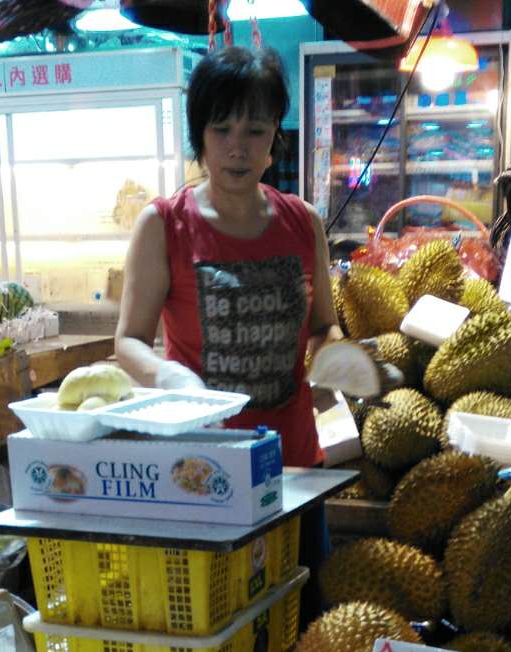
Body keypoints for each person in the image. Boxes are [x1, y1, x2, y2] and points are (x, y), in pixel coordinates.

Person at [116, 46, 343, 467]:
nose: (238, 148)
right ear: (199, 136)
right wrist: (167, 375)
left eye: (255, 130)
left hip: (293, 461)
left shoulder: (304, 222)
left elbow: (323, 325)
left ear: (274, 134)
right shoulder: (163, 225)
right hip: (205, 464)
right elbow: (129, 340)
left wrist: (335, 360)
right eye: (221, 129)